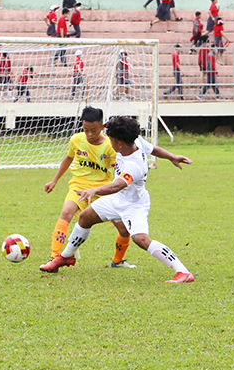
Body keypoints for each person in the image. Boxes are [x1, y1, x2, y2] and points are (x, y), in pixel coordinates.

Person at [40, 116, 195, 283]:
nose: (109, 143)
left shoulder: (133, 166)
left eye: (111, 140)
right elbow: (154, 149)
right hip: (116, 199)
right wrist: (172, 156)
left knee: (141, 239)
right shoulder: (136, 141)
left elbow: (117, 186)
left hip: (133, 204)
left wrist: (94, 190)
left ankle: (182, 272)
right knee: (85, 218)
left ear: (119, 144)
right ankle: (66, 257)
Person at [43, 107, 137, 268]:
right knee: (66, 213)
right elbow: (68, 158)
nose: (90, 134)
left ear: (102, 127)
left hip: (102, 190)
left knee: (124, 230)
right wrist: (54, 180)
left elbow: (119, 169)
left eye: (94, 130)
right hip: (79, 186)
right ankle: (55, 257)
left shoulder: (110, 145)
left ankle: (117, 261)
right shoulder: (76, 140)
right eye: (86, 130)